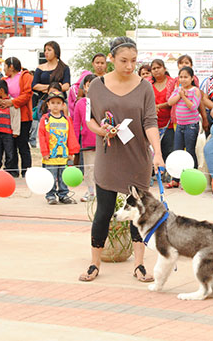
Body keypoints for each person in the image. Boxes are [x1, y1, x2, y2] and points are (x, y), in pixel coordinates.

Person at [80, 36, 164, 282]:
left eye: (134, 61)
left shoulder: (145, 87)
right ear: (112, 59)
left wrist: (157, 153)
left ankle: (139, 265)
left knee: (137, 212)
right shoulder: (96, 86)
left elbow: (150, 122)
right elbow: (90, 119)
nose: (129, 66)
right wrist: (102, 131)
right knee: (104, 211)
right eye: (124, 61)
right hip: (108, 156)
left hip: (137, 158)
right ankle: (94, 264)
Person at [38, 90, 80, 204]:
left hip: (64, 155)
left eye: (58, 103)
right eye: (52, 102)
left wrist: (71, 152)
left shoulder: (66, 119)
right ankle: (50, 195)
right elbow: (41, 136)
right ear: (48, 105)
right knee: (51, 176)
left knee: (63, 177)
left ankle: (63, 194)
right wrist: (44, 152)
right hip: (50, 156)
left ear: (63, 105)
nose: (55, 105)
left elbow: (71, 136)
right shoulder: (45, 119)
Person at [0, 57, 33, 178]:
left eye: (5, 66)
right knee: (10, 145)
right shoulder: (3, 79)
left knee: (22, 144)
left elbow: (27, 94)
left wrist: (12, 103)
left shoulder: (25, 76)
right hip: (7, 118)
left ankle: (26, 171)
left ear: (11, 66)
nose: (4, 68)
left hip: (23, 116)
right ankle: (13, 170)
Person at [166, 66, 201, 188]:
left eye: (186, 77)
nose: (183, 79)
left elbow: (193, 107)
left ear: (192, 78)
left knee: (190, 151)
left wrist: (184, 96)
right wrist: (180, 94)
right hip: (179, 125)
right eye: (181, 77)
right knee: (177, 152)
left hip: (191, 125)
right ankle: (176, 179)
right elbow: (170, 102)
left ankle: (192, 179)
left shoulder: (195, 90)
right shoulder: (178, 90)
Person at [73, 74, 97, 202]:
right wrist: (74, 143)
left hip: (103, 142)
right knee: (89, 168)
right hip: (88, 142)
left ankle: (103, 192)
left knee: (102, 169)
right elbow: (76, 124)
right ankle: (91, 191)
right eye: (89, 85)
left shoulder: (103, 102)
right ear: (85, 87)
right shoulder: (80, 103)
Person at [149, 59, 175, 164]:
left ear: (164, 69)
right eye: (153, 69)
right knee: (153, 150)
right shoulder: (148, 84)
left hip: (169, 123)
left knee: (168, 149)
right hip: (152, 124)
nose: (156, 70)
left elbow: (174, 100)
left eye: (158, 68)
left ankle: (168, 174)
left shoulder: (172, 83)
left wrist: (158, 106)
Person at [0, 79, 20, 175]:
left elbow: (16, 116)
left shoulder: (12, 102)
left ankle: (10, 170)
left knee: (10, 152)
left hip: (8, 133)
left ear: (1, 90)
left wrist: (16, 131)